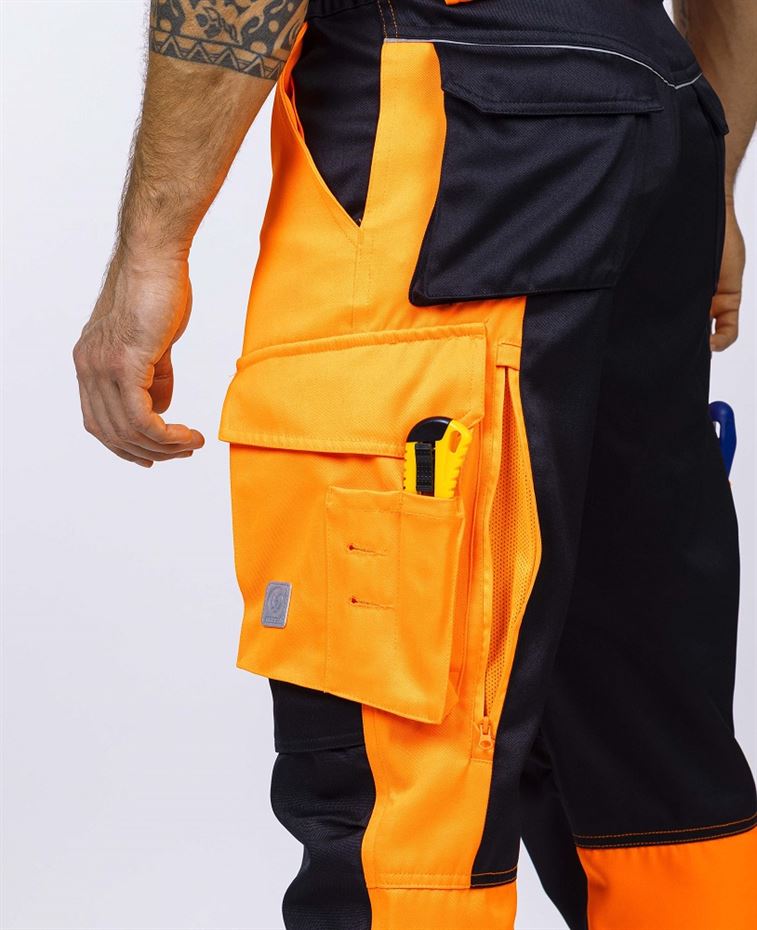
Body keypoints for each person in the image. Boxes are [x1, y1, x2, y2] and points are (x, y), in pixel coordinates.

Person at [73, 1, 757, 927]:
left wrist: (149, 253)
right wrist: (712, 171)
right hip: (662, 116)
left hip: (450, 136)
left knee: (403, 783)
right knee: (648, 759)